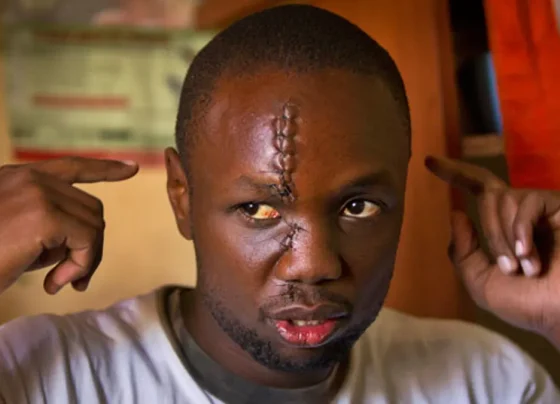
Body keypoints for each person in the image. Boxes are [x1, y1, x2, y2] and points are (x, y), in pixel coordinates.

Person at [0, 4, 559, 403]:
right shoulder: (45, 378)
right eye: (259, 211)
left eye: (358, 207)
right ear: (182, 197)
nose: (313, 265)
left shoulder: (489, 383)